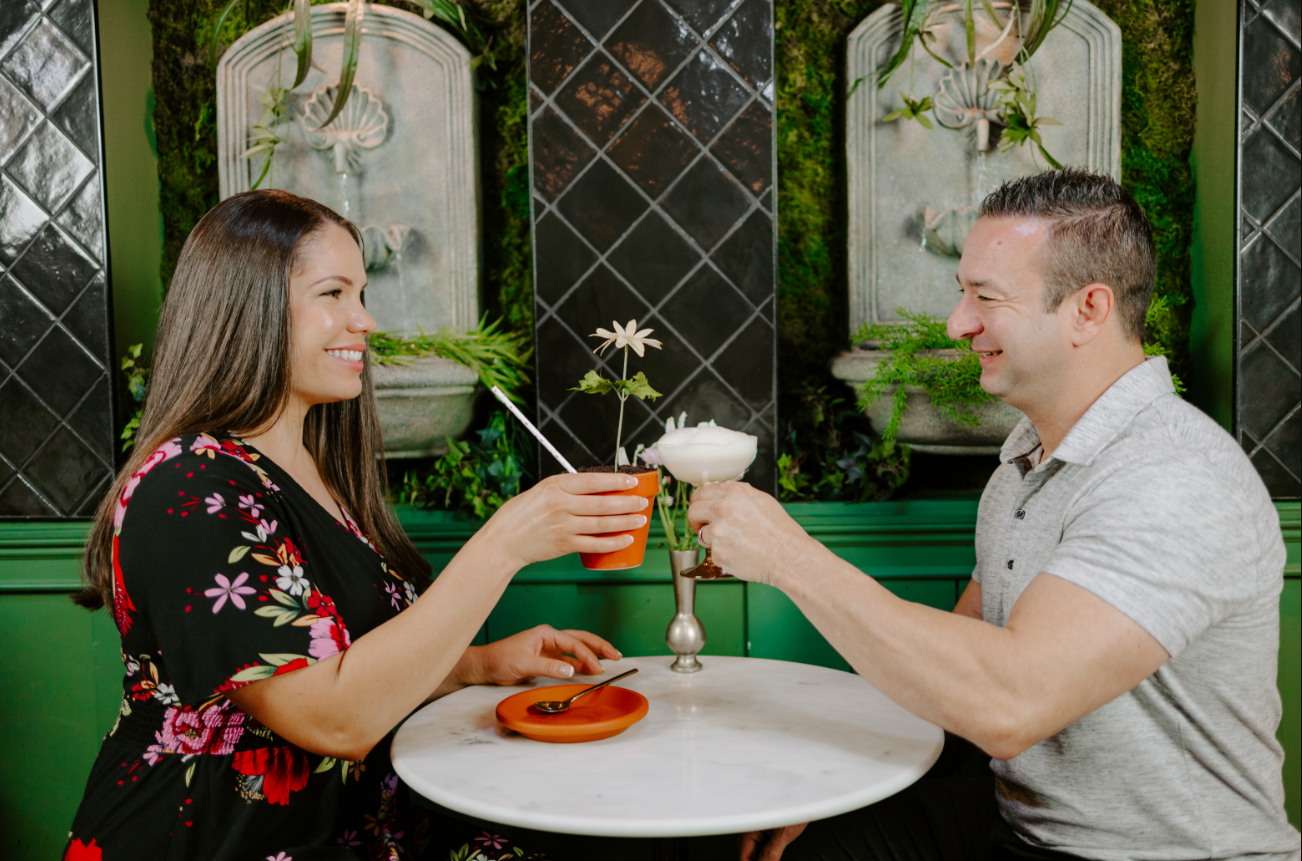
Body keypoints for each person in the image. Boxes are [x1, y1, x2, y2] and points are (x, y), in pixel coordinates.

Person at [688, 169, 1301, 861]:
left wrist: (791, 559)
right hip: (1008, 826)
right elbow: (957, 662)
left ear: (1088, 310)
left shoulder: (1174, 476)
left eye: (986, 296)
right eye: (961, 293)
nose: (959, 323)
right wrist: (827, 784)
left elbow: (1010, 705)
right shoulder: (1025, 459)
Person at [62, 190, 649, 861]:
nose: (364, 320)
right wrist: (504, 543)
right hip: (214, 839)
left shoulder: (313, 469)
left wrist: (476, 665)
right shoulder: (191, 486)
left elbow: (342, 667)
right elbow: (330, 715)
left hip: (350, 830)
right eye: (334, 293)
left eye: (362, 293)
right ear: (247, 306)